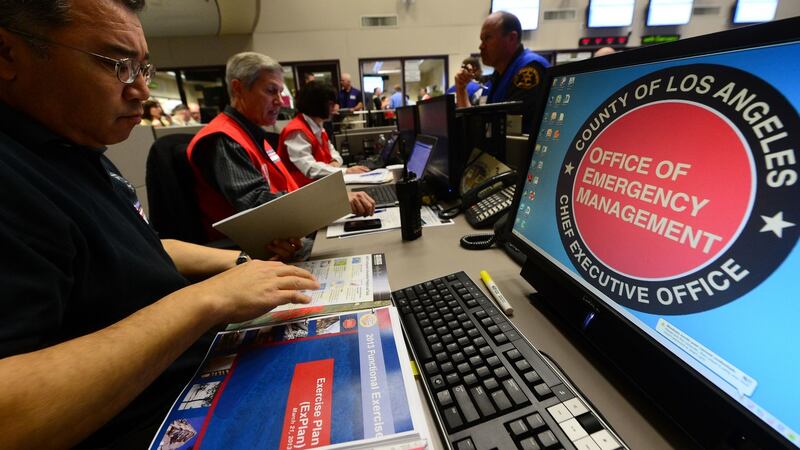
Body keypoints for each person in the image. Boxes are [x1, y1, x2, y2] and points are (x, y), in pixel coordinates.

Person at [0, 1, 320, 448]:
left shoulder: (72, 150)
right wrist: (206, 300)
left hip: (198, 376)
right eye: (116, 64)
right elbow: (9, 415)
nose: (142, 91)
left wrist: (242, 263)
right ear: (8, 55)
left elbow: (142, 246)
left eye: (143, 68)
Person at [186, 53, 375, 241]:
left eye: (280, 92)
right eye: (270, 91)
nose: (279, 101)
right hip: (255, 250)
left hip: (288, 230)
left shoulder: (254, 135)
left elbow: (284, 190)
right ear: (238, 88)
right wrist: (332, 200)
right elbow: (257, 207)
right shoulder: (225, 139)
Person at [455, 11, 550, 130]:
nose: (481, 46)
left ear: (511, 38)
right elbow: (478, 125)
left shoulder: (530, 69)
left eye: (487, 38)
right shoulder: (498, 75)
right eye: (481, 40)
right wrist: (461, 89)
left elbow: (506, 130)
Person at [277, 81, 370, 187]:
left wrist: (334, 162)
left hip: (320, 186)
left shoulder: (318, 125)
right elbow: (310, 168)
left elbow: (333, 153)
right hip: (301, 193)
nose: (335, 108)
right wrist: (345, 171)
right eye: (331, 104)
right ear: (317, 105)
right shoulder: (296, 131)